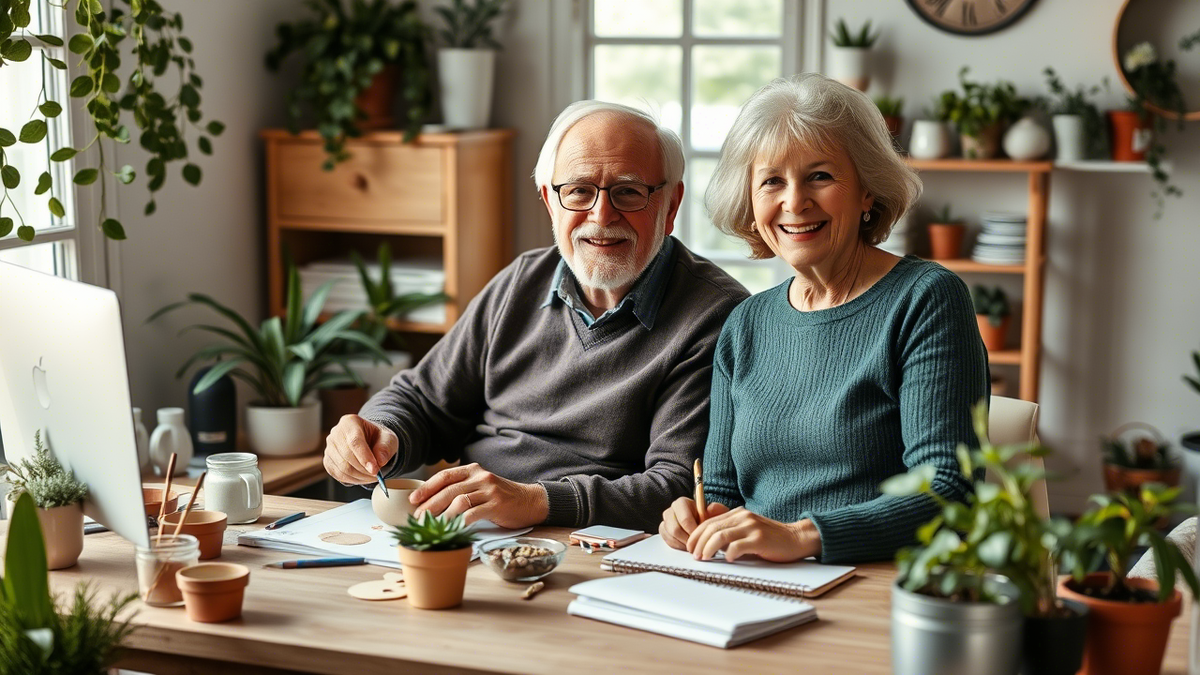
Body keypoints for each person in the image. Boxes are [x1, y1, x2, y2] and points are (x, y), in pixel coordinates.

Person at [323, 101, 748, 532]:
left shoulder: (715, 316)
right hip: (469, 528)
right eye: (579, 191)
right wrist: (381, 433)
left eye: (628, 191)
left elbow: (678, 487)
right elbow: (422, 399)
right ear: (550, 202)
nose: (601, 216)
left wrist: (536, 500)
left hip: (594, 543)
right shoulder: (522, 280)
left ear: (670, 205)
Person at [660, 74, 989, 564]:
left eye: (820, 176)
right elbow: (724, 487)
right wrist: (700, 518)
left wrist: (802, 537)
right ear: (751, 204)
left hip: (881, 580)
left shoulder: (927, 299)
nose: (795, 202)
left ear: (867, 193)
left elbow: (947, 489)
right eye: (772, 180)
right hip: (762, 579)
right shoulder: (745, 324)